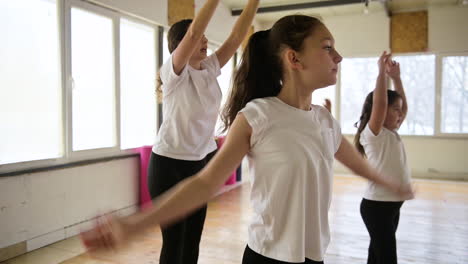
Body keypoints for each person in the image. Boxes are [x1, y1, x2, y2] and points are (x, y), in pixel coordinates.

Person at [81, 15, 413, 264]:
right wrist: (135, 224)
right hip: (267, 257)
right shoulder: (258, 116)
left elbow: (358, 164)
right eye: (327, 48)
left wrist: (393, 184)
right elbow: (203, 184)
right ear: (293, 59)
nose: (337, 57)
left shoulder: (324, 121)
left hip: (315, 256)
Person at [148, 0, 259, 263]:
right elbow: (195, 32)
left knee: (192, 239)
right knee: (174, 241)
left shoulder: (209, 68)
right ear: (180, 45)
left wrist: (254, 3)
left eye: (206, 39)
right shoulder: (173, 73)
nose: (204, 41)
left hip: (199, 164)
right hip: (168, 167)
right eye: (198, 38)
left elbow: (235, 37)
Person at [354, 52, 413, 264]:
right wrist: (381, 73)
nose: (401, 114)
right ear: (380, 111)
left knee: (378, 252)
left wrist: (396, 78)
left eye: (400, 110)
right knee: (387, 255)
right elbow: (379, 104)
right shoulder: (373, 134)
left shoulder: (391, 133)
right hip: (377, 206)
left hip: (392, 205)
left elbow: (403, 107)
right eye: (395, 110)